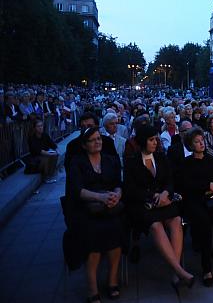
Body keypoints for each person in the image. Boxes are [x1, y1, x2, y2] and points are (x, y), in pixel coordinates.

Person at [124, 123, 194, 291]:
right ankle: (178, 271)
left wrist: (165, 193)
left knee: (176, 220)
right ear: (142, 141)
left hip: (164, 201)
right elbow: (130, 189)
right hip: (144, 205)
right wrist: (151, 196)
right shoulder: (132, 162)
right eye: (151, 140)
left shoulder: (162, 158)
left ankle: (176, 272)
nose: (155, 142)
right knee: (156, 226)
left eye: (156, 139)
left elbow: (170, 180)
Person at [65, 126, 124, 302]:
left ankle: (112, 280)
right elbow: (77, 190)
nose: (97, 142)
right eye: (92, 140)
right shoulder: (77, 162)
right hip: (87, 207)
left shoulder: (109, 160)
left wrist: (116, 195)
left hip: (110, 206)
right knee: (93, 236)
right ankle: (92, 288)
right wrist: (101, 197)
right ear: (84, 145)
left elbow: (118, 183)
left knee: (117, 230)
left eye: (99, 138)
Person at [178, 129, 213, 286]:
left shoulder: (212, 160)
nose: (201, 143)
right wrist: (206, 185)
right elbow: (185, 185)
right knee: (204, 225)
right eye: (197, 142)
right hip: (195, 201)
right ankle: (206, 268)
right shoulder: (186, 163)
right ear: (190, 145)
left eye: (202, 140)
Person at [28, 118, 59, 183]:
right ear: (35, 128)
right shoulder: (32, 138)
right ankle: (46, 178)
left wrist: (56, 150)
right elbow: (39, 151)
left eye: (41, 125)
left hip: (44, 154)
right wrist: (51, 154)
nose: (40, 128)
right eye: (38, 126)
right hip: (35, 158)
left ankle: (50, 174)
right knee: (46, 158)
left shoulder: (45, 135)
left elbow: (52, 144)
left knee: (55, 155)